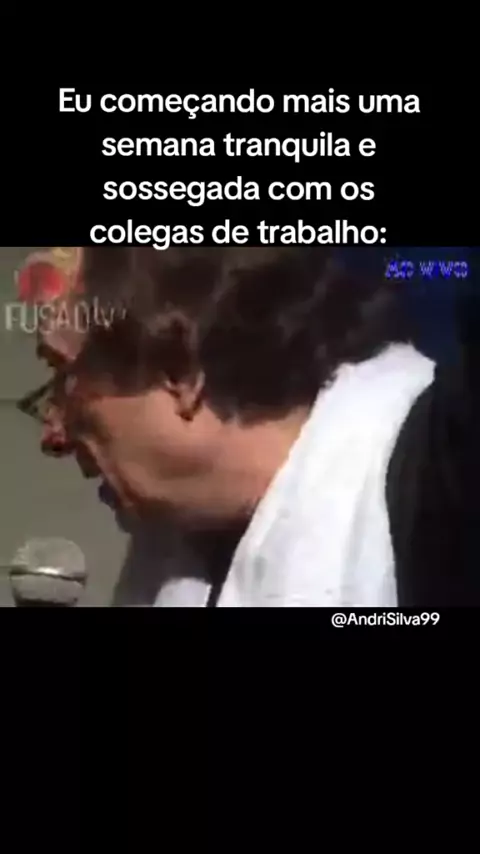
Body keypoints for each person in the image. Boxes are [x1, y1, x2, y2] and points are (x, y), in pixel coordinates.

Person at [45, 245, 479, 607]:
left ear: (179, 374)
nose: (54, 434)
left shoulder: (443, 474)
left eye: (64, 378)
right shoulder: (177, 553)